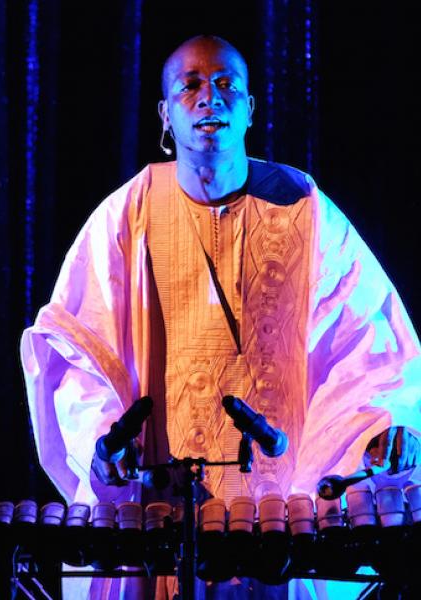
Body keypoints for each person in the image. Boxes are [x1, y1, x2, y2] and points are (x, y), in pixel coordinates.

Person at [21, 35, 421, 599]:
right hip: (160, 522)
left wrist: (380, 429)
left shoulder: (304, 208)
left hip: (283, 527)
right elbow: (74, 348)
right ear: (165, 114)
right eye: (190, 86)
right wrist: (102, 443)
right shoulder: (126, 215)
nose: (210, 97)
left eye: (227, 84)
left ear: (251, 109)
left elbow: (367, 344)